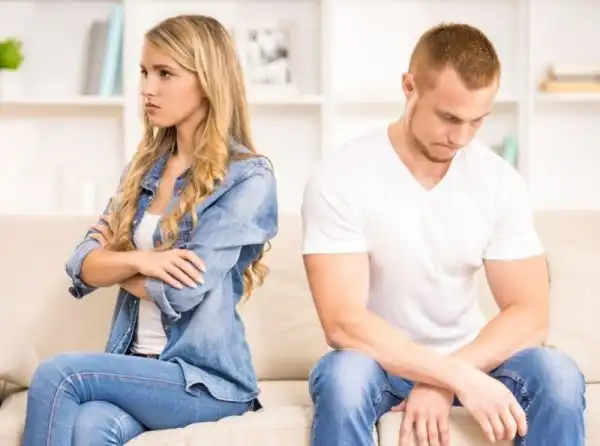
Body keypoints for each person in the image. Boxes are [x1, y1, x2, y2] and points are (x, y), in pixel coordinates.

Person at [301, 22, 585, 446]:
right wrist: (450, 377)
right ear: (409, 87)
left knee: (558, 376)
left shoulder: (498, 181)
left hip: (473, 358)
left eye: (477, 121)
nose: (461, 138)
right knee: (342, 380)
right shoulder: (341, 176)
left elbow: (530, 313)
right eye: (449, 117)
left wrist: (451, 377)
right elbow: (343, 323)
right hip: (378, 361)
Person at [23, 14, 278, 446]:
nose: (147, 88)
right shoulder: (143, 170)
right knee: (89, 428)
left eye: (164, 73)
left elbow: (181, 292)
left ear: (207, 81)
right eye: (144, 72)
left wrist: (113, 266)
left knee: (59, 374)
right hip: (137, 365)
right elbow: (80, 264)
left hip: (203, 380)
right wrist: (143, 260)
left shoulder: (247, 178)